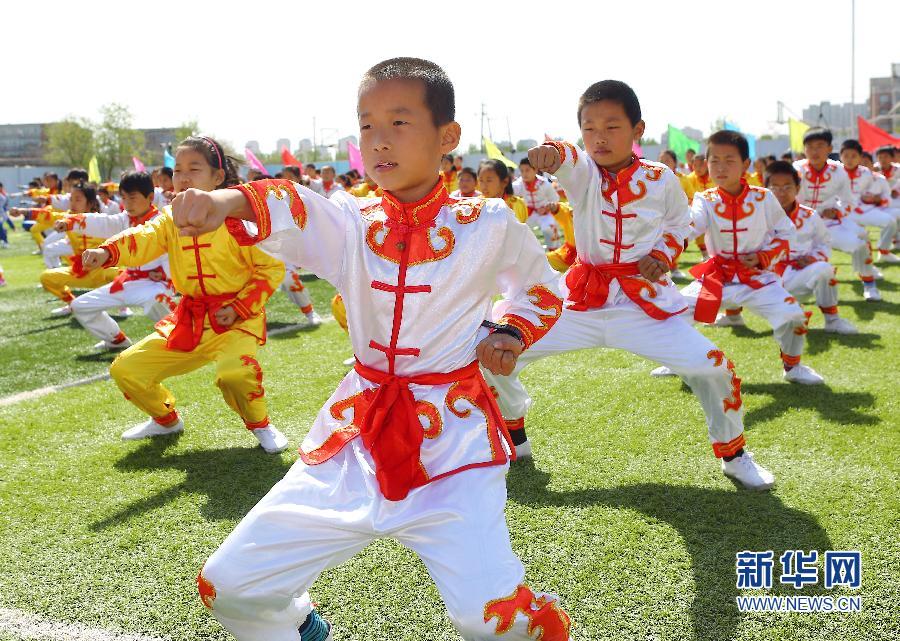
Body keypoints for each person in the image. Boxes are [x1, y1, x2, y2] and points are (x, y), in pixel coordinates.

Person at [175, 57, 573, 641]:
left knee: (494, 623)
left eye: (398, 123)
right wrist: (226, 203)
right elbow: (295, 203)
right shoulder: (351, 219)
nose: (378, 140)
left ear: (448, 137)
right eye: (366, 126)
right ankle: (300, 627)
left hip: (453, 448)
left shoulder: (489, 223)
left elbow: (540, 288)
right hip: (353, 436)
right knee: (230, 586)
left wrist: (510, 332)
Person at [485, 80, 774, 489]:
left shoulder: (662, 178)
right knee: (495, 350)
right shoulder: (585, 173)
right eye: (589, 128)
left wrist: (663, 255)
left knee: (713, 367)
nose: (599, 138)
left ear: (638, 130)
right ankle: (514, 435)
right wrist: (554, 152)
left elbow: (679, 224)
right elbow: (569, 158)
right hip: (580, 300)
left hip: (643, 304)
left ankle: (735, 455)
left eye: (611, 126)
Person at [80, 136, 289, 453]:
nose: (183, 177)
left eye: (194, 168)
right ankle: (166, 420)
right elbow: (144, 237)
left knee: (235, 373)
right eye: (177, 170)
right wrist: (107, 252)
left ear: (217, 177)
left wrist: (239, 307)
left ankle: (261, 424)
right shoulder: (169, 218)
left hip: (235, 321)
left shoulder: (238, 219)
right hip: (189, 319)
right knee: (126, 369)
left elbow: (270, 268)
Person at [678, 130, 823, 384]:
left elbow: (787, 233)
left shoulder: (763, 197)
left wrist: (763, 256)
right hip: (717, 277)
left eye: (729, 160)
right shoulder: (704, 199)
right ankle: (675, 360)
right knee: (673, 309)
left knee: (793, 315)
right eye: (714, 161)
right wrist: (668, 237)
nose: (720, 167)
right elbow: (691, 226)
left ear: (745, 164)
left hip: (757, 277)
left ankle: (793, 367)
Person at [721, 161, 857, 335]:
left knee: (824, 269)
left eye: (787, 187)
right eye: (775, 188)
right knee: (728, 262)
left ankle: (832, 320)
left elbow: (824, 242)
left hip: (798, 276)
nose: (781, 193)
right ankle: (733, 316)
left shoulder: (810, 215)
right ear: (766, 190)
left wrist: (813, 259)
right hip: (764, 281)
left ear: (798, 189)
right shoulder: (752, 216)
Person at [68, 171, 176, 350]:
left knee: (156, 301)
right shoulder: (124, 219)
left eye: (132, 198)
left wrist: (167, 275)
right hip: (128, 280)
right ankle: (115, 339)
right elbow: (102, 222)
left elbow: (174, 253)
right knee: (80, 305)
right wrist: (70, 222)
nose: (127, 203)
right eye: (124, 198)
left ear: (150, 197)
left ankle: (179, 337)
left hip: (156, 283)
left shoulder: (161, 221)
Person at [795, 128, 881, 301]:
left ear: (829, 148)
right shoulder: (796, 169)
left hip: (828, 224)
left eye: (820, 146)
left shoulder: (838, 171)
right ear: (804, 149)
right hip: (800, 225)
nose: (814, 151)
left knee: (860, 245)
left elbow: (849, 201)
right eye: (810, 146)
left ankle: (869, 284)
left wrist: (836, 212)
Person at [840, 139, 899, 263]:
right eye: (846, 156)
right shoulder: (835, 173)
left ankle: (884, 251)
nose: (849, 160)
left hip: (867, 210)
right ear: (841, 157)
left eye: (854, 156)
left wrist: (876, 200)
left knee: (891, 221)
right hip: (843, 212)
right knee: (860, 235)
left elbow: (884, 197)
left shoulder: (868, 174)